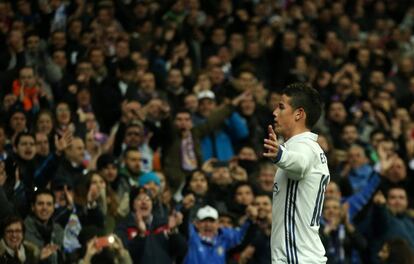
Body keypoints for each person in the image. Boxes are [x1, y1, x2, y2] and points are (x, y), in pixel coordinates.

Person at [263, 82, 329, 263]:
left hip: (296, 258)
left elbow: (301, 164)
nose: (275, 112)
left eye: (281, 107)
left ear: (299, 114)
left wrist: (280, 155)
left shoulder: (304, 147)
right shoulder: (307, 147)